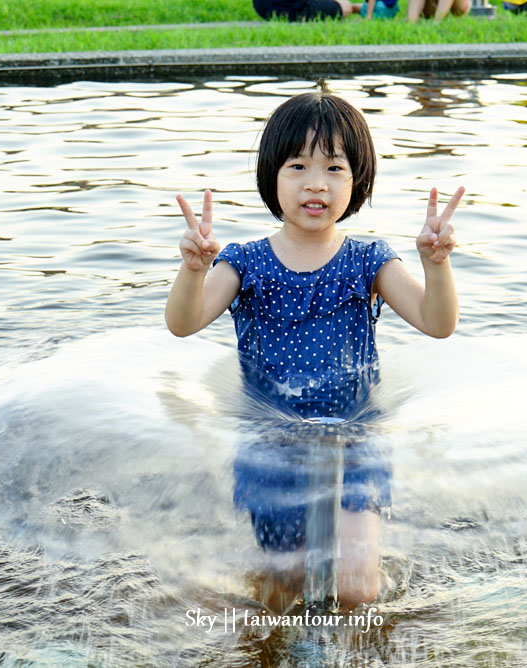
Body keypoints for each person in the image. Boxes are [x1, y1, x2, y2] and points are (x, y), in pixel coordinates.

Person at [165, 92, 463, 606]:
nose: (315, 183)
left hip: (354, 439)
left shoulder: (368, 260)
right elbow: (183, 323)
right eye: (297, 165)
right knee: (285, 588)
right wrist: (193, 271)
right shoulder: (245, 262)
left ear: (359, 179)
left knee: (355, 588)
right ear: (271, 176)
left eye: (335, 167)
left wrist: (435, 263)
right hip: (272, 444)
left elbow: (437, 324)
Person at [253, 0, 362, 21]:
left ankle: (356, 8)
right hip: (295, 9)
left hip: (263, 8)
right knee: (346, 6)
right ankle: (356, 8)